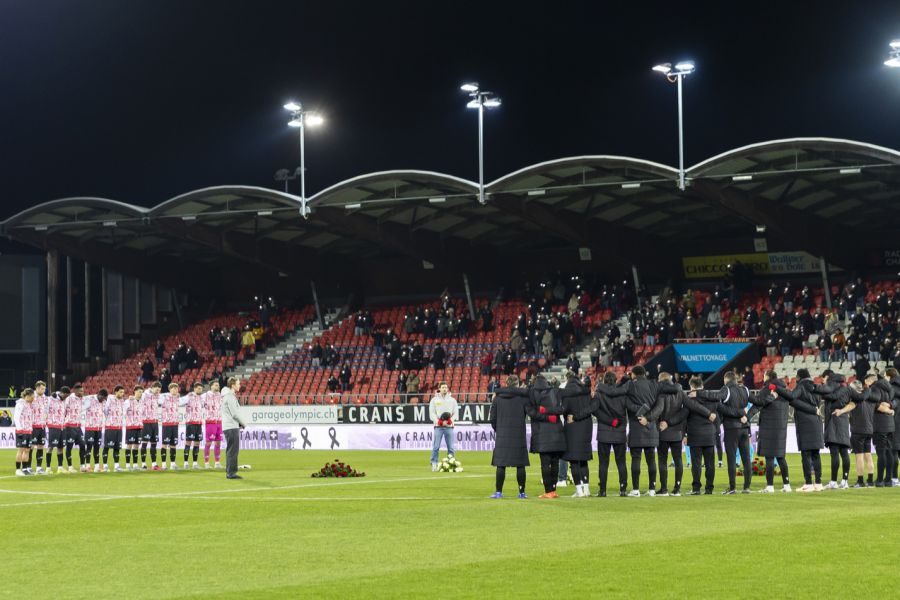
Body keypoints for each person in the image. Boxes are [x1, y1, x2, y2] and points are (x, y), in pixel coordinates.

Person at [690, 371, 751, 494]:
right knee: (746, 458)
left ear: (725, 379)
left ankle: (733, 487)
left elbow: (716, 397)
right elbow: (757, 402)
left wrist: (699, 393)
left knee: (732, 458)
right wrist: (746, 415)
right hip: (745, 427)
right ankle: (746, 487)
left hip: (732, 429)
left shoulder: (726, 389)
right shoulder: (745, 389)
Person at [775, 368, 825, 492]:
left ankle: (808, 483)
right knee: (816, 454)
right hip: (817, 423)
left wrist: (777, 389)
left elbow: (791, 396)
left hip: (805, 424)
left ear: (799, 377)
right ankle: (818, 483)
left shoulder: (801, 386)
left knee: (806, 454)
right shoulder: (815, 386)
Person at [623, 365, 669, 497]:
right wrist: (648, 419)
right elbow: (659, 407)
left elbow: (626, 401)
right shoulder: (654, 385)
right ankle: (652, 489)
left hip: (636, 427)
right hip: (651, 428)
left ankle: (636, 489)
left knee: (636, 459)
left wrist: (642, 416)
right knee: (651, 460)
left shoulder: (631, 385)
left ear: (634, 374)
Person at [748, 372, 791, 493]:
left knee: (770, 457)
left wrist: (747, 416)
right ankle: (787, 485)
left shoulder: (767, 389)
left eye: (764, 375)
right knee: (781, 457)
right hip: (781, 428)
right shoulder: (784, 390)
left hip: (768, 427)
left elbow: (758, 404)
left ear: (768, 377)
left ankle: (770, 486)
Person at [489, 376, 530, 499]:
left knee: (501, 464)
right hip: (518, 434)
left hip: (502, 435)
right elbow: (529, 413)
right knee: (520, 464)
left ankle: (498, 492)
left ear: (506, 383)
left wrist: (499, 429)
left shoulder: (497, 398)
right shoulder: (523, 398)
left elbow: (492, 418)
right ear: (517, 384)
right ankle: (522, 492)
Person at [813, 371, 854, 489]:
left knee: (835, 452)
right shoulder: (846, 390)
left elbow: (829, 396)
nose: (823, 381)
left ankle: (833, 481)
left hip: (833, 423)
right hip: (844, 423)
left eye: (824, 378)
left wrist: (815, 389)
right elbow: (855, 400)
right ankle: (844, 481)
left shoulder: (831, 391)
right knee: (844, 452)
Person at [528, 374, 566, 498]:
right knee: (555, 462)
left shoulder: (531, 393)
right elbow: (562, 409)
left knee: (545, 463)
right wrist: (550, 416)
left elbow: (532, 412)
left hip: (541, 433)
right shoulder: (555, 392)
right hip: (556, 432)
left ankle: (548, 491)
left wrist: (545, 414)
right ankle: (553, 490)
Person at [683, 376, 719, 495]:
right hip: (709, 434)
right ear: (702, 386)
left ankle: (696, 488)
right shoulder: (712, 398)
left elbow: (684, 418)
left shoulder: (690, 400)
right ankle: (709, 489)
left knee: (696, 464)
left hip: (695, 434)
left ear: (692, 387)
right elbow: (718, 416)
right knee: (710, 464)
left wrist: (684, 434)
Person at [656, 372, 690, 497]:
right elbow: (686, 410)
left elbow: (656, 411)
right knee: (678, 460)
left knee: (662, 461)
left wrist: (664, 423)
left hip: (662, 432)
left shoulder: (660, 393)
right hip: (677, 432)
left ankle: (664, 489)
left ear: (660, 380)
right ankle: (677, 488)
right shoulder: (680, 392)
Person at [560, 373, 593, 497]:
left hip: (572, 429)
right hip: (585, 428)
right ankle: (587, 489)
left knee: (574, 461)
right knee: (583, 460)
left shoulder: (567, 394)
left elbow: (564, 410)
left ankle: (579, 490)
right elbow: (591, 408)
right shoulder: (586, 393)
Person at [867, 373, 897, 487]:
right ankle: (888, 480)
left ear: (871, 380)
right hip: (890, 424)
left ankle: (880, 480)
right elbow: (893, 402)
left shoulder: (875, 388)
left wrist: (886, 408)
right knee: (889, 452)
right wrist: (890, 408)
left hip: (880, 424)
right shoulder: (889, 388)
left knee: (881, 453)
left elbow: (875, 404)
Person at [221, 377, 246, 480]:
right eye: (238, 383)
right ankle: (231, 473)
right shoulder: (230, 396)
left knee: (230, 450)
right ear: (233, 385)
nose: (239, 385)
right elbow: (235, 414)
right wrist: (244, 423)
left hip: (229, 426)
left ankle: (230, 471)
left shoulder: (227, 396)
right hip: (231, 426)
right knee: (233, 450)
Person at [429, 382, 458, 470]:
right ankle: (434, 463)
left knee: (451, 447)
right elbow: (432, 413)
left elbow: (456, 413)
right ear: (439, 388)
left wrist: (450, 421)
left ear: (447, 389)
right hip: (438, 427)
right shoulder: (434, 400)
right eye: (443, 387)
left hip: (449, 427)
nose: (444, 389)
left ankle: (451, 463)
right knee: (436, 446)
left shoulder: (452, 400)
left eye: (446, 387)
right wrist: (439, 422)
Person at [157, 383, 183, 470]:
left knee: (173, 444)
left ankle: (172, 464)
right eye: (173, 388)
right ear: (170, 389)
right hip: (167, 424)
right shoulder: (164, 397)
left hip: (175, 424)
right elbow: (157, 396)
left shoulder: (178, 399)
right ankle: (164, 464)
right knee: (164, 444)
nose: (175, 390)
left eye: (176, 388)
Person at [82, 388, 108, 473]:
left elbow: (105, 412)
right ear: (99, 395)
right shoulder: (90, 399)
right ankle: (88, 466)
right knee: (89, 447)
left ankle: (97, 466)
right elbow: (82, 407)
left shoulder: (104, 402)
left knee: (97, 447)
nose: (103, 400)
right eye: (103, 398)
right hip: (90, 427)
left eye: (105, 399)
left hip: (99, 428)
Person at [64, 384, 87, 473]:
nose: (83, 392)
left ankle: (82, 466)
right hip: (69, 425)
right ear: (75, 391)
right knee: (69, 446)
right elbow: (64, 409)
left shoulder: (82, 399)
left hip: (78, 426)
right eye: (81, 391)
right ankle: (70, 467)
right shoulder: (69, 399)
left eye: (83, 390)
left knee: (82, 444)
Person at [103, 386, 126, 472]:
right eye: (120, 392)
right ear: (115, 392)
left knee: (117, 448)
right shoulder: (109, 400)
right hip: (110, 427)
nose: (122, 394)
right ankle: (105, 466)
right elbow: (105, 411)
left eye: (123, 392)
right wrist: (110, 421)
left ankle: (117, 466)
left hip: (119, 427)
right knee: (107, 447)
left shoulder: (122, 401)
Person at [140, 381, 162, 471]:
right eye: (156, 388)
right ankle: (143, 464)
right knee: (144, 443)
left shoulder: (158, 396)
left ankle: (154, 464)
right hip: (146, 422)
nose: (158, 390)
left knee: (154, 444)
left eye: (159, 389)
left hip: (155, 422)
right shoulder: (145, 394)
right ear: (152, 387)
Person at [183, 382, 205, 469]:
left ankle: (195, 463)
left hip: (199, 423)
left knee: (197, 443)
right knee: (188, 442)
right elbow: (180, 402)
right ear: (195, 388)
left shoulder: (201, 398)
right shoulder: (189, 396)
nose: (200, 390)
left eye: (201, 389)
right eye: (199, 388)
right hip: (190, 423)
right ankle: (185, 463)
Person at [46, 386, 68, 473]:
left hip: (62, 426)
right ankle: (48, 468)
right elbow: (46, 408)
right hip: (53, 425)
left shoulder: (64, 400)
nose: (66, 398)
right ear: (62, 393)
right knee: (51, 447)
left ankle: (60, 467)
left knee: (61, 447)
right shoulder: (52, 398)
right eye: (66, 395)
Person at [14, 388, 35, 476]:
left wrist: (31, 428)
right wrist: (19, 429)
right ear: (28, 395)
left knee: (27, 450)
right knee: (21, 449)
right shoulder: (20, 403)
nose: (33, 398)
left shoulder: (30, 404)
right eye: (32, 396)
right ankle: (18, 470)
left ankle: (25, 469)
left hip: (29, 430)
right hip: (21, 430)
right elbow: (16, 417)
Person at [203, 380, 224, 469]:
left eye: (218, 385)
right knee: (208, 442)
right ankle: (207, 463)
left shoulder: (220, 395)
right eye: (216, 385)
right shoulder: (206, 395)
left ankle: (217, 462)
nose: (217, 387)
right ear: (211, 386)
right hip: (210, 422)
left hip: (219, 421)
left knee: (218, 442)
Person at [30, 381, 49, 474]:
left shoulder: (45, 398)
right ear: (37, 388)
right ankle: (28, 467)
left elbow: (46, 410)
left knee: (41, 446)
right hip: (33, 426)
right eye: (42, 389)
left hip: (42, 426)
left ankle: (39, 467)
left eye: (44, 389)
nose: (43, 390)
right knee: (31, 446)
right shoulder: (31, 396)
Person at [124, 385, 144, 471]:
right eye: (139, 392)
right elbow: (123, 411)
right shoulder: (128, 401)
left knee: (136, 446)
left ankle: (135, 465)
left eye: (141, 392)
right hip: (131, 426)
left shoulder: (142, 402)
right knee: (129, 445)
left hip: (139, 426)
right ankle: (128, 465)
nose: (140, 394)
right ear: (135, 391)